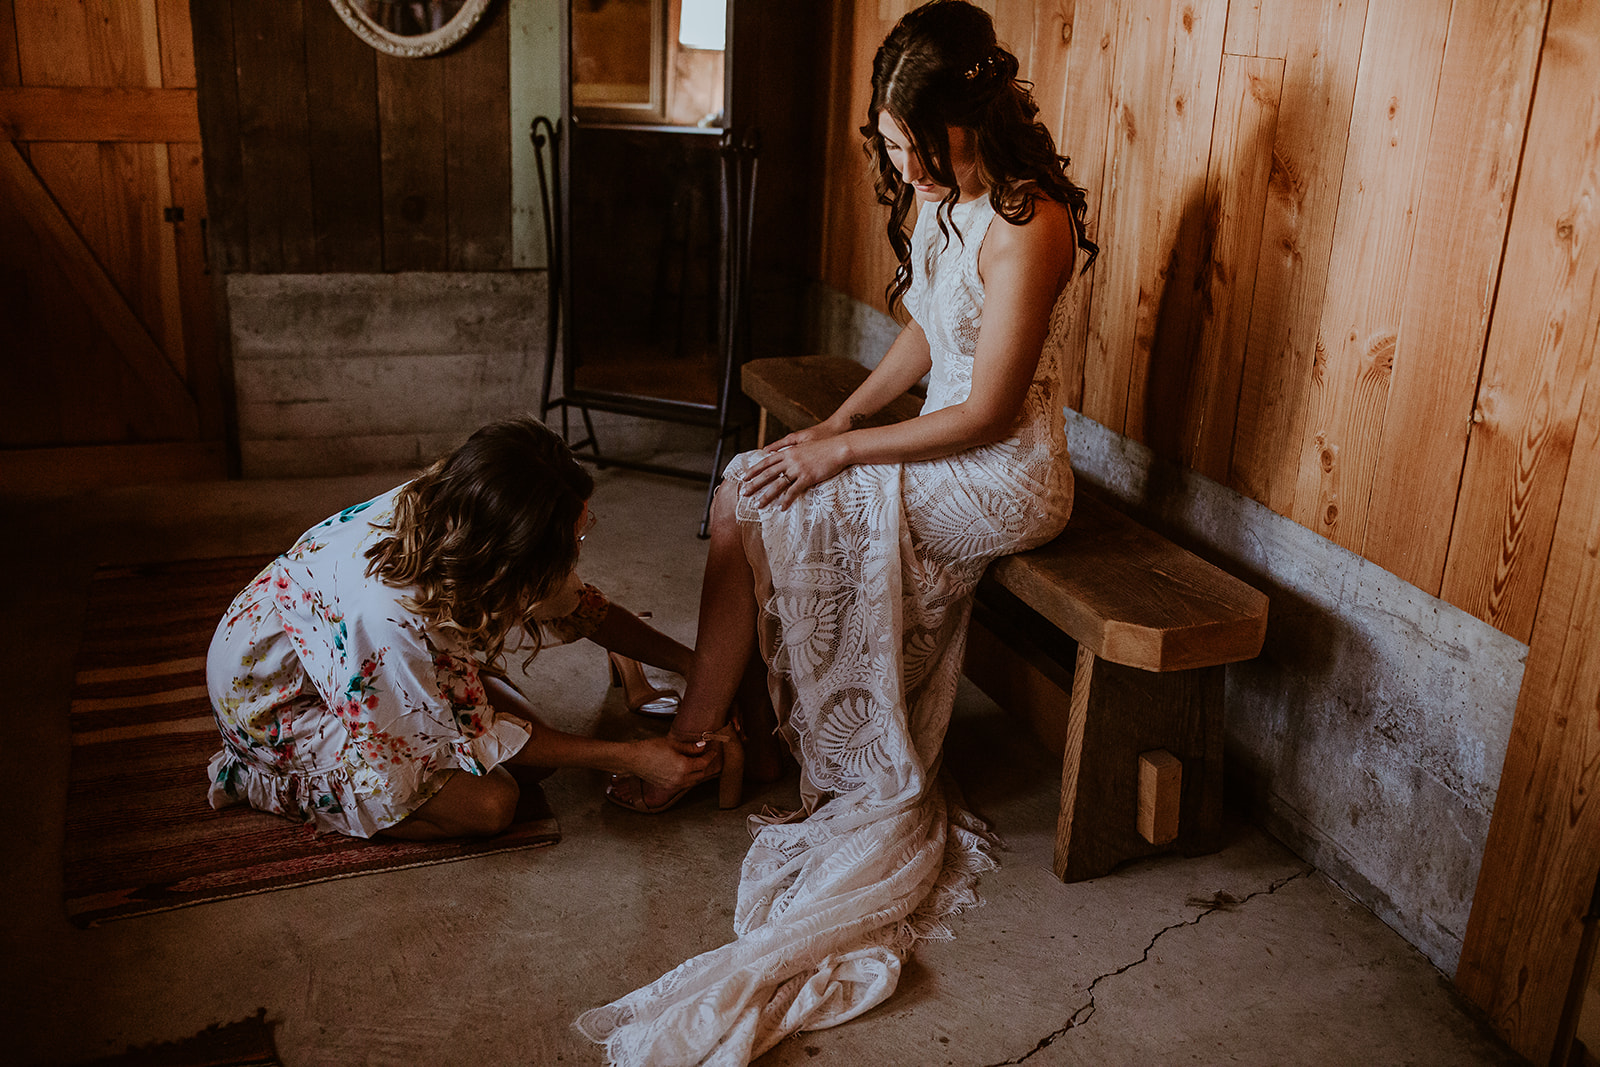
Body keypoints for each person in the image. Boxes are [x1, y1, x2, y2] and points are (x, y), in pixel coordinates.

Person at [576, 1, 1098, 1062]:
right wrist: (841, 418)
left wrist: (842, 456)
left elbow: (991, 412)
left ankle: (702, 742)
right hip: (938, 443)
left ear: (968, 115)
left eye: (916, 144)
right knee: (749, 486)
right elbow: (923, 328)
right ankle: (712, 738)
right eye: (894, 145)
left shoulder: (1029, 219)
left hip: (1004, 477)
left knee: (769, 497)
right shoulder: (948, 199)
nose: (905, 167)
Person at [203, 416, 709, 841]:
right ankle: (273, 782)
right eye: (575, 535)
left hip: (331, 651)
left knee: (539, 760)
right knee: (492, 803)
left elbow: (575, 603)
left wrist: (693, 664)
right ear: (511, 557)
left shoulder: (467, 509)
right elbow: (477, 734)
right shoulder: (390, 620)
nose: (581, 544)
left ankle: (450, 702)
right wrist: (632, 757)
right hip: (277, 702)